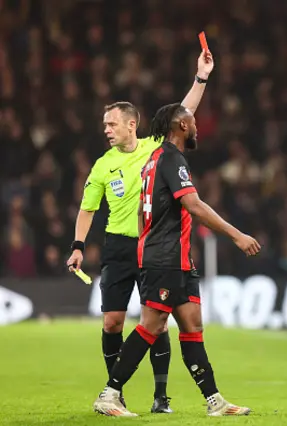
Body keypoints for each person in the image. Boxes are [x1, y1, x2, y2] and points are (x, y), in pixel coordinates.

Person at [67, 49, 214, 413]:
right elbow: (88, 209)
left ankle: (161, 397)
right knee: (113, 321)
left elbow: (184, 113)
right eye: (105, 125)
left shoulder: (154, 148)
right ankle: (116, 395)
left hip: (150, 247)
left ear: (132, 125)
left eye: (111, 124)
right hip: (117, 246)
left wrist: (201, 78)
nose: (106, 130)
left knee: (157, 321)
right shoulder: (102, 166)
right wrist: (78, 245)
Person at [92, 103, 261, 417]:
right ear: (182, 126)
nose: (197, 126)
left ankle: (215, 401)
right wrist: (236, 235)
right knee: (152, 326)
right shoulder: (170, 158)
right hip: (164, 257)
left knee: (192, 325)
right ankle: (110, 394)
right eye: (193, 121)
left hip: (177, 258)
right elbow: (194, 205)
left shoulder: (157, 159)